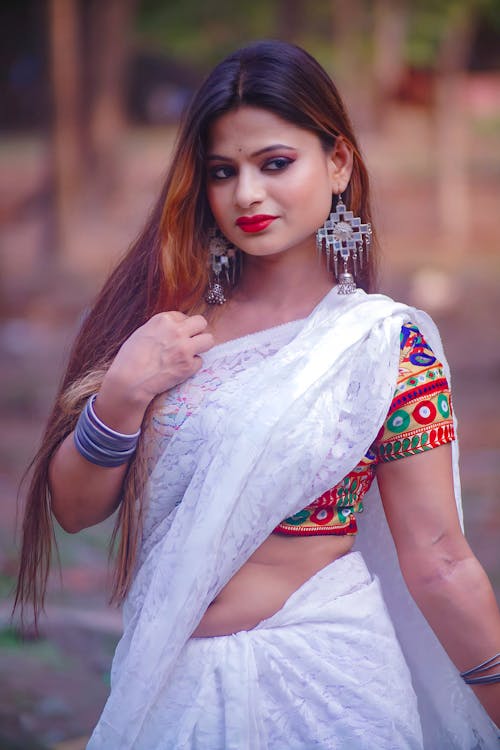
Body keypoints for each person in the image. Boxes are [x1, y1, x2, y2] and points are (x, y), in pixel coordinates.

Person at [15, 40, 500, 749]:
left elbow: (440, 558)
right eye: (223, 171)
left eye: (275, 163)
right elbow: (74, 508)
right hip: (174, 684)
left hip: (330, 688)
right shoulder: (171, 326)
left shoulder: (384, 347)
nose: (246, 193)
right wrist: (119, 396)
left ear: (338, 164)